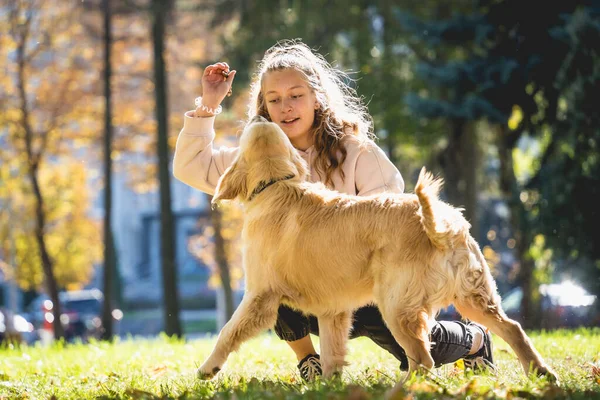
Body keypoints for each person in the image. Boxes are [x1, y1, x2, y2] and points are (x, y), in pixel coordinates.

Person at [173, 40, 495, 381]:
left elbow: (388, 211)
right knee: (270, 280)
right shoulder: (255, 158)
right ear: (264, 107)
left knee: (410, 340)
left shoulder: (356, 152)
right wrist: (209, 105)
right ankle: (311, 363)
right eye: (275, 99)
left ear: (316, 98)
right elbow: (191, 166)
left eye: (296, 95)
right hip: (312, 288)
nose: (286, 107)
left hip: (367, 281)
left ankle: (475, 339)